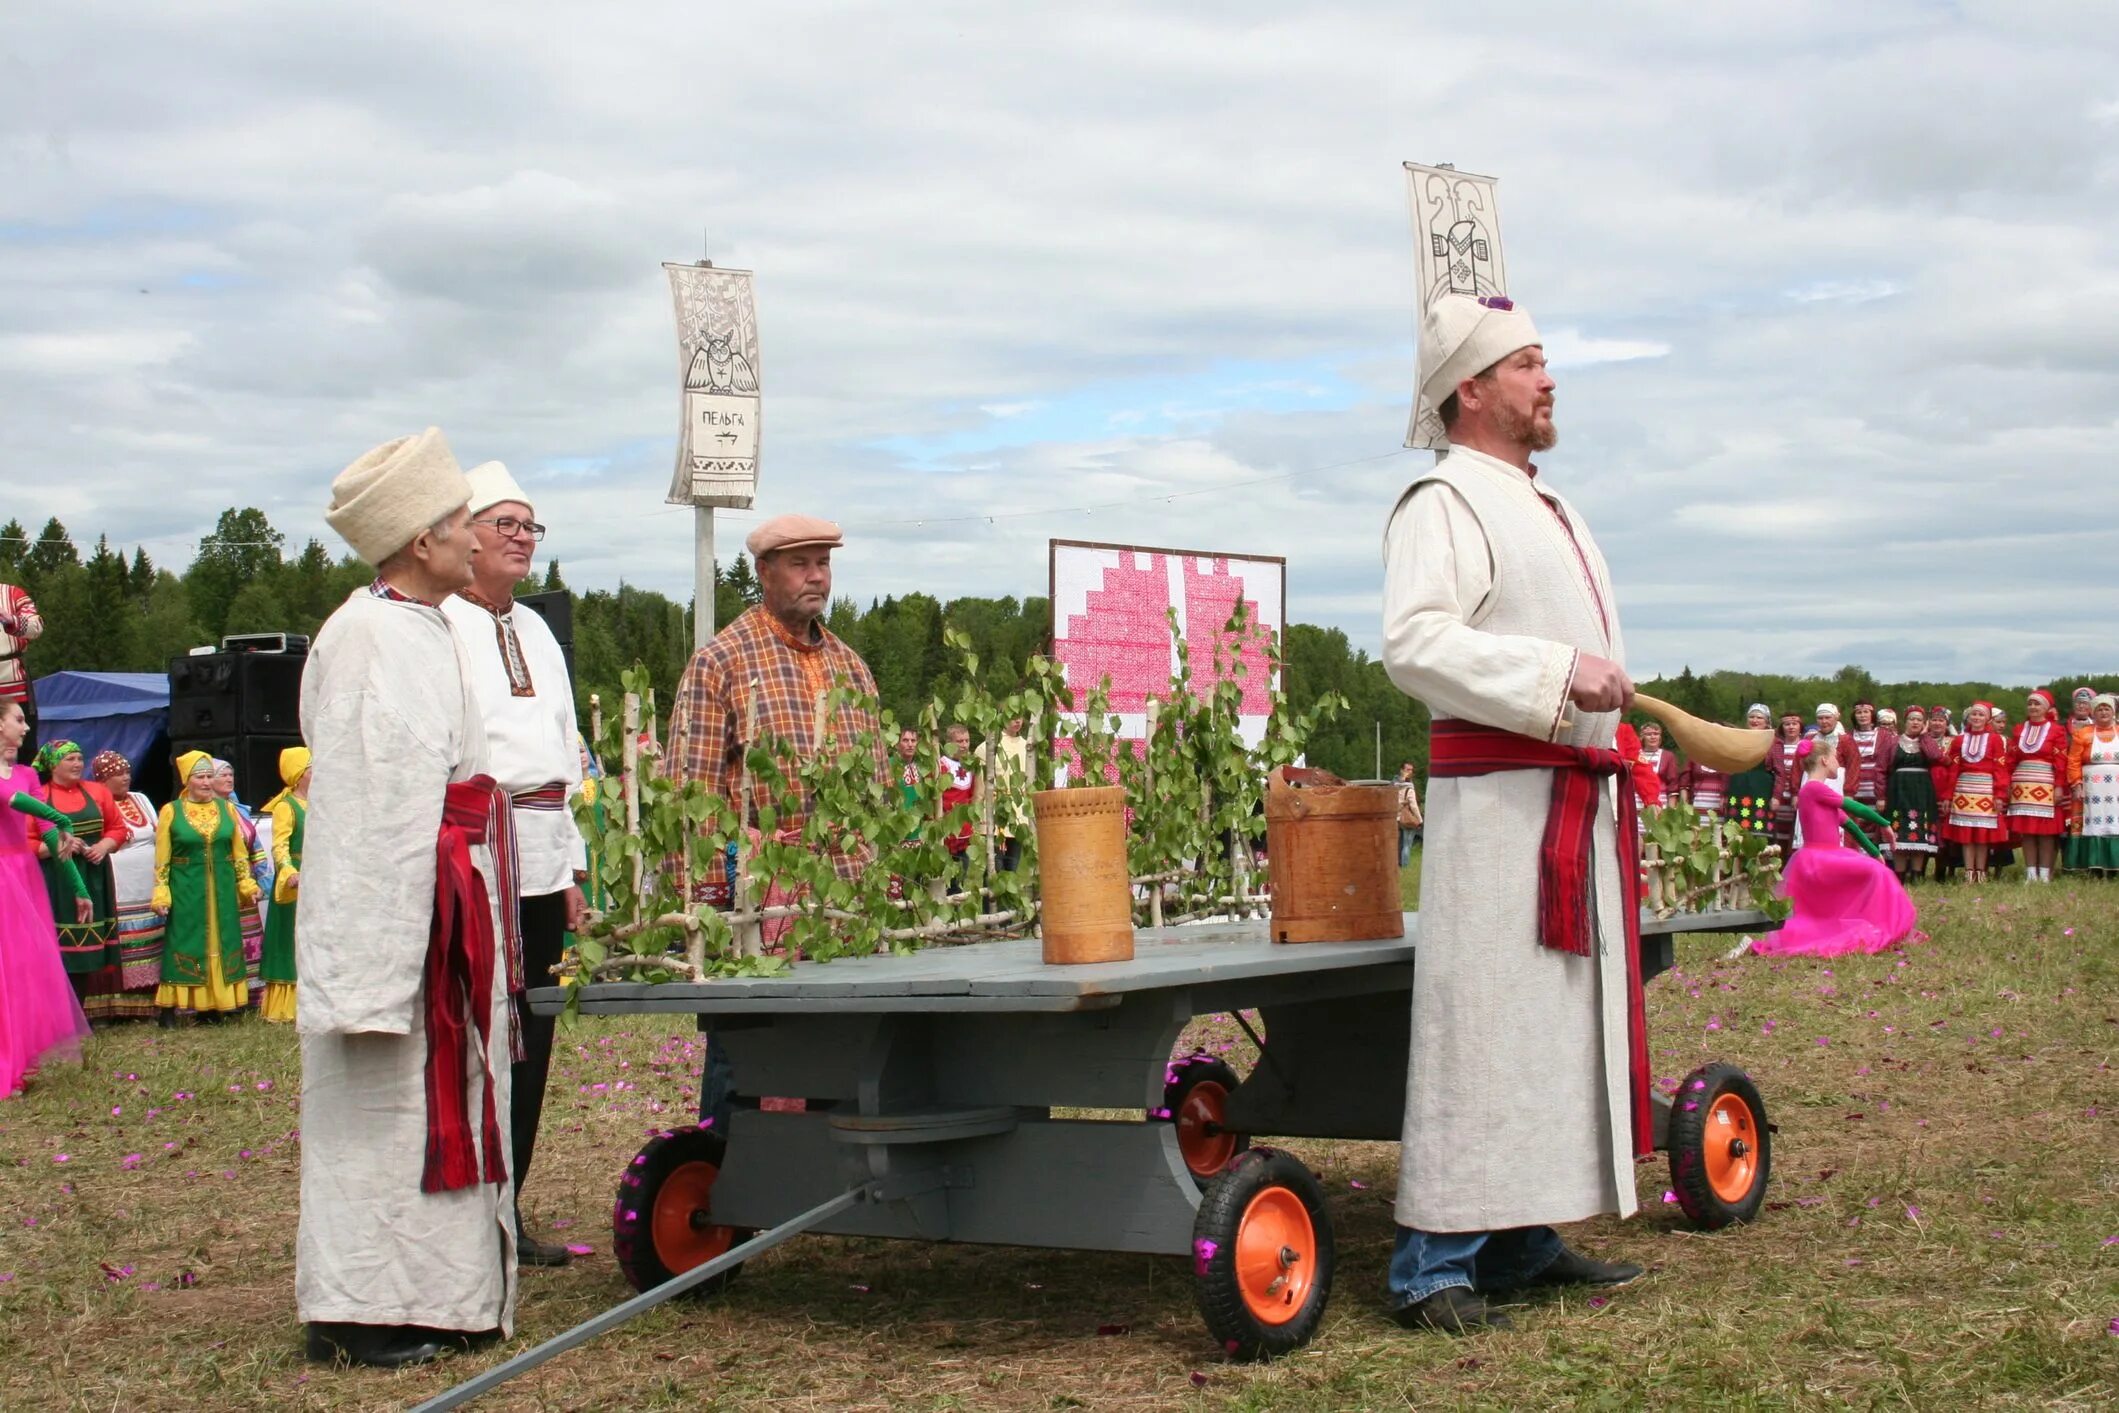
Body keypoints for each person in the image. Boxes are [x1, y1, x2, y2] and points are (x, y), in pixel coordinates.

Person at [1380, 292, 1644, 1335]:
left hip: (1567, 805)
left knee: (1546, 1025)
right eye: (1529, 363)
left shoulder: (1549, 505)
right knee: (1481, 1026)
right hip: (1497, 818)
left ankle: (1522, 1237)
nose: (1549, 379)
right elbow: (1414, 643)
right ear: (1473, 389)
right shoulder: (1442, 502)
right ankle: (1432, 1263)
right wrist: (1553, 672)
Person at [296, 427, 517, 1368]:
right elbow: (364, 807)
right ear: (422, 541)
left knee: (453, 1095)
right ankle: (359, 1308)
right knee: (383, 1119)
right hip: (404, 916)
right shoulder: (363, 635)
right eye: (464, 522)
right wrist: (377, 965)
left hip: (447, 895)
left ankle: (442, 1295)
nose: (476, 538)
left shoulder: (423, 624)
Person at [665, 513, 883, 1134]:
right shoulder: (723, 662)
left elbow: (878, 790)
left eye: (823, 563)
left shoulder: (851, 667)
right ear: (764, 572)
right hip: (757, 892)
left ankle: (818, 1178)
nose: (816, 577)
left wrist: (880, 884)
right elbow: (691, 794)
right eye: (799, 564)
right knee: (749, 1047)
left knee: (840, 1042)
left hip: (842, 891)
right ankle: (730, 1185)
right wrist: (706, 902)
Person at [440, 460, 589, 1270]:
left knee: (533, 1030)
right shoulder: (440, 624)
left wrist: (568, 869)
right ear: (464, 534)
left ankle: (509, 1206)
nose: (524, 537)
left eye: (532, 526)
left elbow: (562, 753)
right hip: (472, 851)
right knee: (472, 1032)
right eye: (507, 523)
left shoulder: (534, 629)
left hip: (538, 851)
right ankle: (460, 1210)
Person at [1751, 737, 1916, 958]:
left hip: (1829, 855)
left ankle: (1875, 923)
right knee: (1878, 874)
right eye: (1836, 759)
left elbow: (1849, 825)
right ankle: (1884, 925)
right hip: (1819, 858)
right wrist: (1885, 824)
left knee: (1876, 870)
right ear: (1824, 760)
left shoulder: (1820, 795)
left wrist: (1875, 852)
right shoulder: (1813, 788)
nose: (1839, 764)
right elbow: (1854, 806)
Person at [2, 699, 91, 1096]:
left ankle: (18, 1060)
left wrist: (79, 889)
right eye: (18, 720)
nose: (25, 728)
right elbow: (15, 803)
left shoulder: (25, 774)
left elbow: (51, 834)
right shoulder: (11, 781)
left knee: (22, 968)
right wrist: (63, 819)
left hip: (24, 875)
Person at [152, 751, 255, 1024]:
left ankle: (213, 1007)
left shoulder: (226, 809)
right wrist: (162, 891)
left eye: (210, 776)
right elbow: (162, 858)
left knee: (221, 940)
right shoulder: (172, 811)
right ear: (188, 780)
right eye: (201, 777)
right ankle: (169, 1009)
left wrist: (246, 883)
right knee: (186, 939)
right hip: (187, 886)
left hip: (221, 886)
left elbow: (239, 852)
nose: (207, 782)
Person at [28, 739, 128, 1020]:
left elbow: (118, 828)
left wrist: (103, 846)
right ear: (53, 765)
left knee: (86, 951)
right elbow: (27, 842)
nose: (77, 764)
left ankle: (79, 1016)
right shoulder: (38, 797)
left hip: (94, 876)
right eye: (69, 759)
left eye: (79, 758)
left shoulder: (97, 792)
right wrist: (56, 847)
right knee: (59, 950)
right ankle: (56, 1016)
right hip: (56, 880)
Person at [93, 750, 165, 1020]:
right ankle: (117, 1005)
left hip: (146, 882)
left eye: (127, 772)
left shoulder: (141, 799)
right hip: (118, 884)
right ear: (103, 779)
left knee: (153, 934)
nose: (126, 777)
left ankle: (149, 1002)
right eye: (118, 774)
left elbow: (158, 831)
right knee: (122, 939)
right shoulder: (96, 802)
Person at [259, 747, 310, 1024]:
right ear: (300, 774)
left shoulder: (320, 804)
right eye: (312, 768)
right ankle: (287, 1004)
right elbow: (279, 845)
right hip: (295, 880)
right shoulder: (286, 806)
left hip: (318, 875)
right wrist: (289, 872)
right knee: (290, 937)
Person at [1941, 701, 2009, 884]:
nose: (1977, 718)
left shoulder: (1995, 739)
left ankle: (1981, 871)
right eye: (1974, 715)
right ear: (1969, 717)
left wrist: (2000, 794)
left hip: (1985, 790)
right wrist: (1948, 795)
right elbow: (1953, 769)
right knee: (1966, 834)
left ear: (1987, 718)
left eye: (1981, 715)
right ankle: (1969, 872)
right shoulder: (1960, 740)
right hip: (1963, 789)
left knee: (1982, 834)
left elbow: (2000, 768)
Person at [2005, 689, 2067, 883]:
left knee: (2046, 832)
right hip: (2022, 784)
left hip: (2046, 783)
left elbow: (2061, 760)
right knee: (2028, 832)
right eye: (2030, 703)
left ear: (2046, 707)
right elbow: (2011, 758)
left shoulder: (2056, 730)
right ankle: (2031, 873)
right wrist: (2008, 782)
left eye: (2037, 704)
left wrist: (2058, 786)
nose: (2033, 707)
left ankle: (2045, 874)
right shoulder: (2019, 729)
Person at [1883, 707, 1939, 882]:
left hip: (1922, 791)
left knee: (1919, 831)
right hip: (1898, 790)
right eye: (1912, 719)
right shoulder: (1893, 742)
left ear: (1924, 724)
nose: (1915, 722)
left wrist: (1924, 736)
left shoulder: (1926, 742)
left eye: (1919, 720)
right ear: (1905, 722)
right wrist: (1880, 795)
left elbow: (1934, 756)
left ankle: (1916, 874)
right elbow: (1881, 768)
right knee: (1899, 832)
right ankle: (1899, 875)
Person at [2066, 694, 2119, 874]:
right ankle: (2093, 867)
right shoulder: (2083, 734)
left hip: (2116, 789)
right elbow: (2073, 761)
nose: (2103, 712)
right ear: (2093, 713)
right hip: (2091, 789)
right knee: (2092, 822)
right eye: (2099, 709)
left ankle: (2114, 868)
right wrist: (2076, 784)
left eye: (2107, 709)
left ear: (2113, 712)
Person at [0, 581, 43, 757]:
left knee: (24, 746)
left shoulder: (11, 594)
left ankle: (26, 783)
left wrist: (13, 621)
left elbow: (36, 626)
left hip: (13, 683)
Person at [1724, 704, 1777, 836]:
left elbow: (1780, 772)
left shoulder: (1774, 741)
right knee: (1736, 831)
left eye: (1759, 717)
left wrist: (1777, 796)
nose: (1755, 720)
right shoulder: (1738, 738)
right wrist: (1723, 793)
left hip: (1761, 790)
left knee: (1758, 832)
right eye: (1751, 717)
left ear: (1767, 722)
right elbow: (1728, 766)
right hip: (1738, 788)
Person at [993, 716, 1031, 871]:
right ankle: (991, 896)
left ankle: (1010, 895)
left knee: (1012, 865)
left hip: (1018, 808)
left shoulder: (1026, 746)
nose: (1017, 721)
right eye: (1012, 717)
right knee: (996, 864)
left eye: (1020, 718)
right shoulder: (993, 744)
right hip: (998, 807)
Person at [1769, 711, 1806, 852]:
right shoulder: (1775, 747)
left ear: (1800, 726)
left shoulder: (1806, 746)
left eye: (1794, 724)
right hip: (1778, 796)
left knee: (1794, 832)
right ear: (1782, 727)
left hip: (1797, 797)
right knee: (1778, 834)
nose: (1791, 727)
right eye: (1787, 724)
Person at [1848, 701, 1894, 810]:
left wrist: (1881, 796)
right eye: (1859, 712)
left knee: (1877, 824)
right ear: (1854, 716)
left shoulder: (1884, 736)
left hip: (1876, 795)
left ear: (1872, 715)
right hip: (1853, 794)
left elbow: (1885, 767)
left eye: (1866, 712)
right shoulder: (1847, 737)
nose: (1862, 715)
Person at [1635, 722, 1681, 806]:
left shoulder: (1667, 756)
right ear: (1642, 737)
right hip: (1638, 801)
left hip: (1661, 802)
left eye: (1656, 734)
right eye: (1649, 734)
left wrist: (1671, 810)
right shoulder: (1634, 755)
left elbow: (1673, 784)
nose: (1653, 737)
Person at [1395, 761, 1423, 866]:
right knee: (1407, 844)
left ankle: (1397, 864)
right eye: (1408, 769)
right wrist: (1420, 820)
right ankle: (1405, 865)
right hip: (1407, 818)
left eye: (1411, 770)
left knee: (1398, 844)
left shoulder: (1394, 786)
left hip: (1396, 818)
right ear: (1401, 770)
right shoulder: (1409, 788)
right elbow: (1414, 806)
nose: (1410, 772)